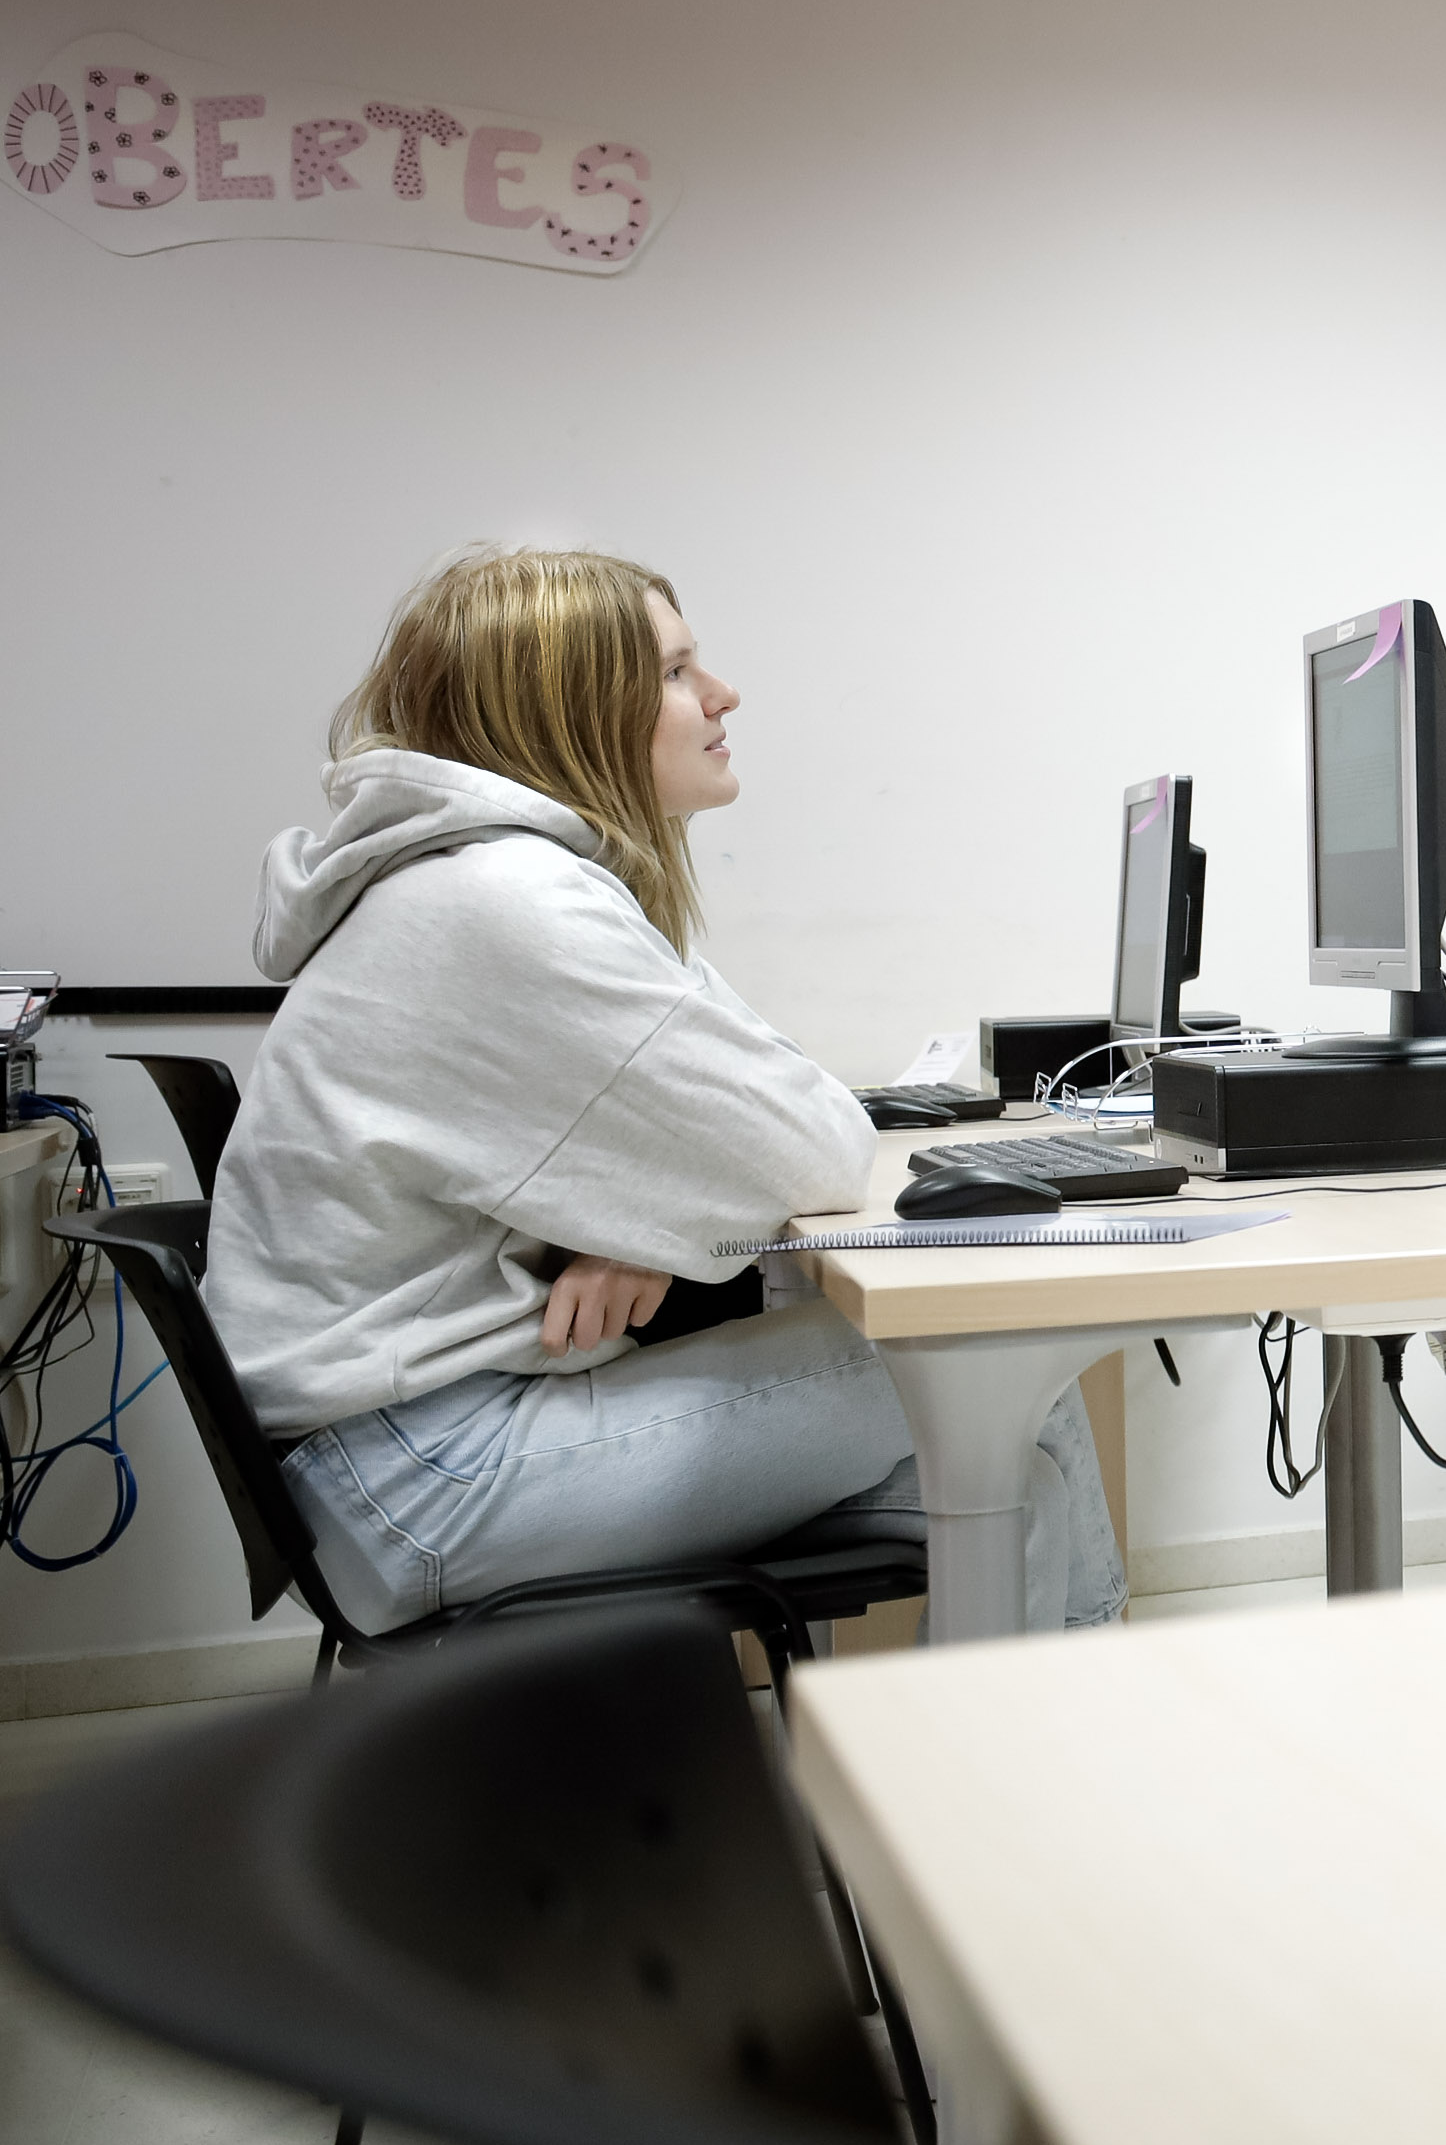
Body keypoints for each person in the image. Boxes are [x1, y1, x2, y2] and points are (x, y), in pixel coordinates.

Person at [205, 547, 1124, 1634]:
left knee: (1019, 1480)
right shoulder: (512, 903)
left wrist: (637, 1223)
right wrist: (662, 1201)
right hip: (420, 1477)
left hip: (403, 1456)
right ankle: (1051, 1766)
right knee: (993, 1349)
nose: (723, 694)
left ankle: (982, 1785)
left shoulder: (487, 883)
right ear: (576, 710)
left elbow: (734, 1110)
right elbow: (816, 1145)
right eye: (681, 671)